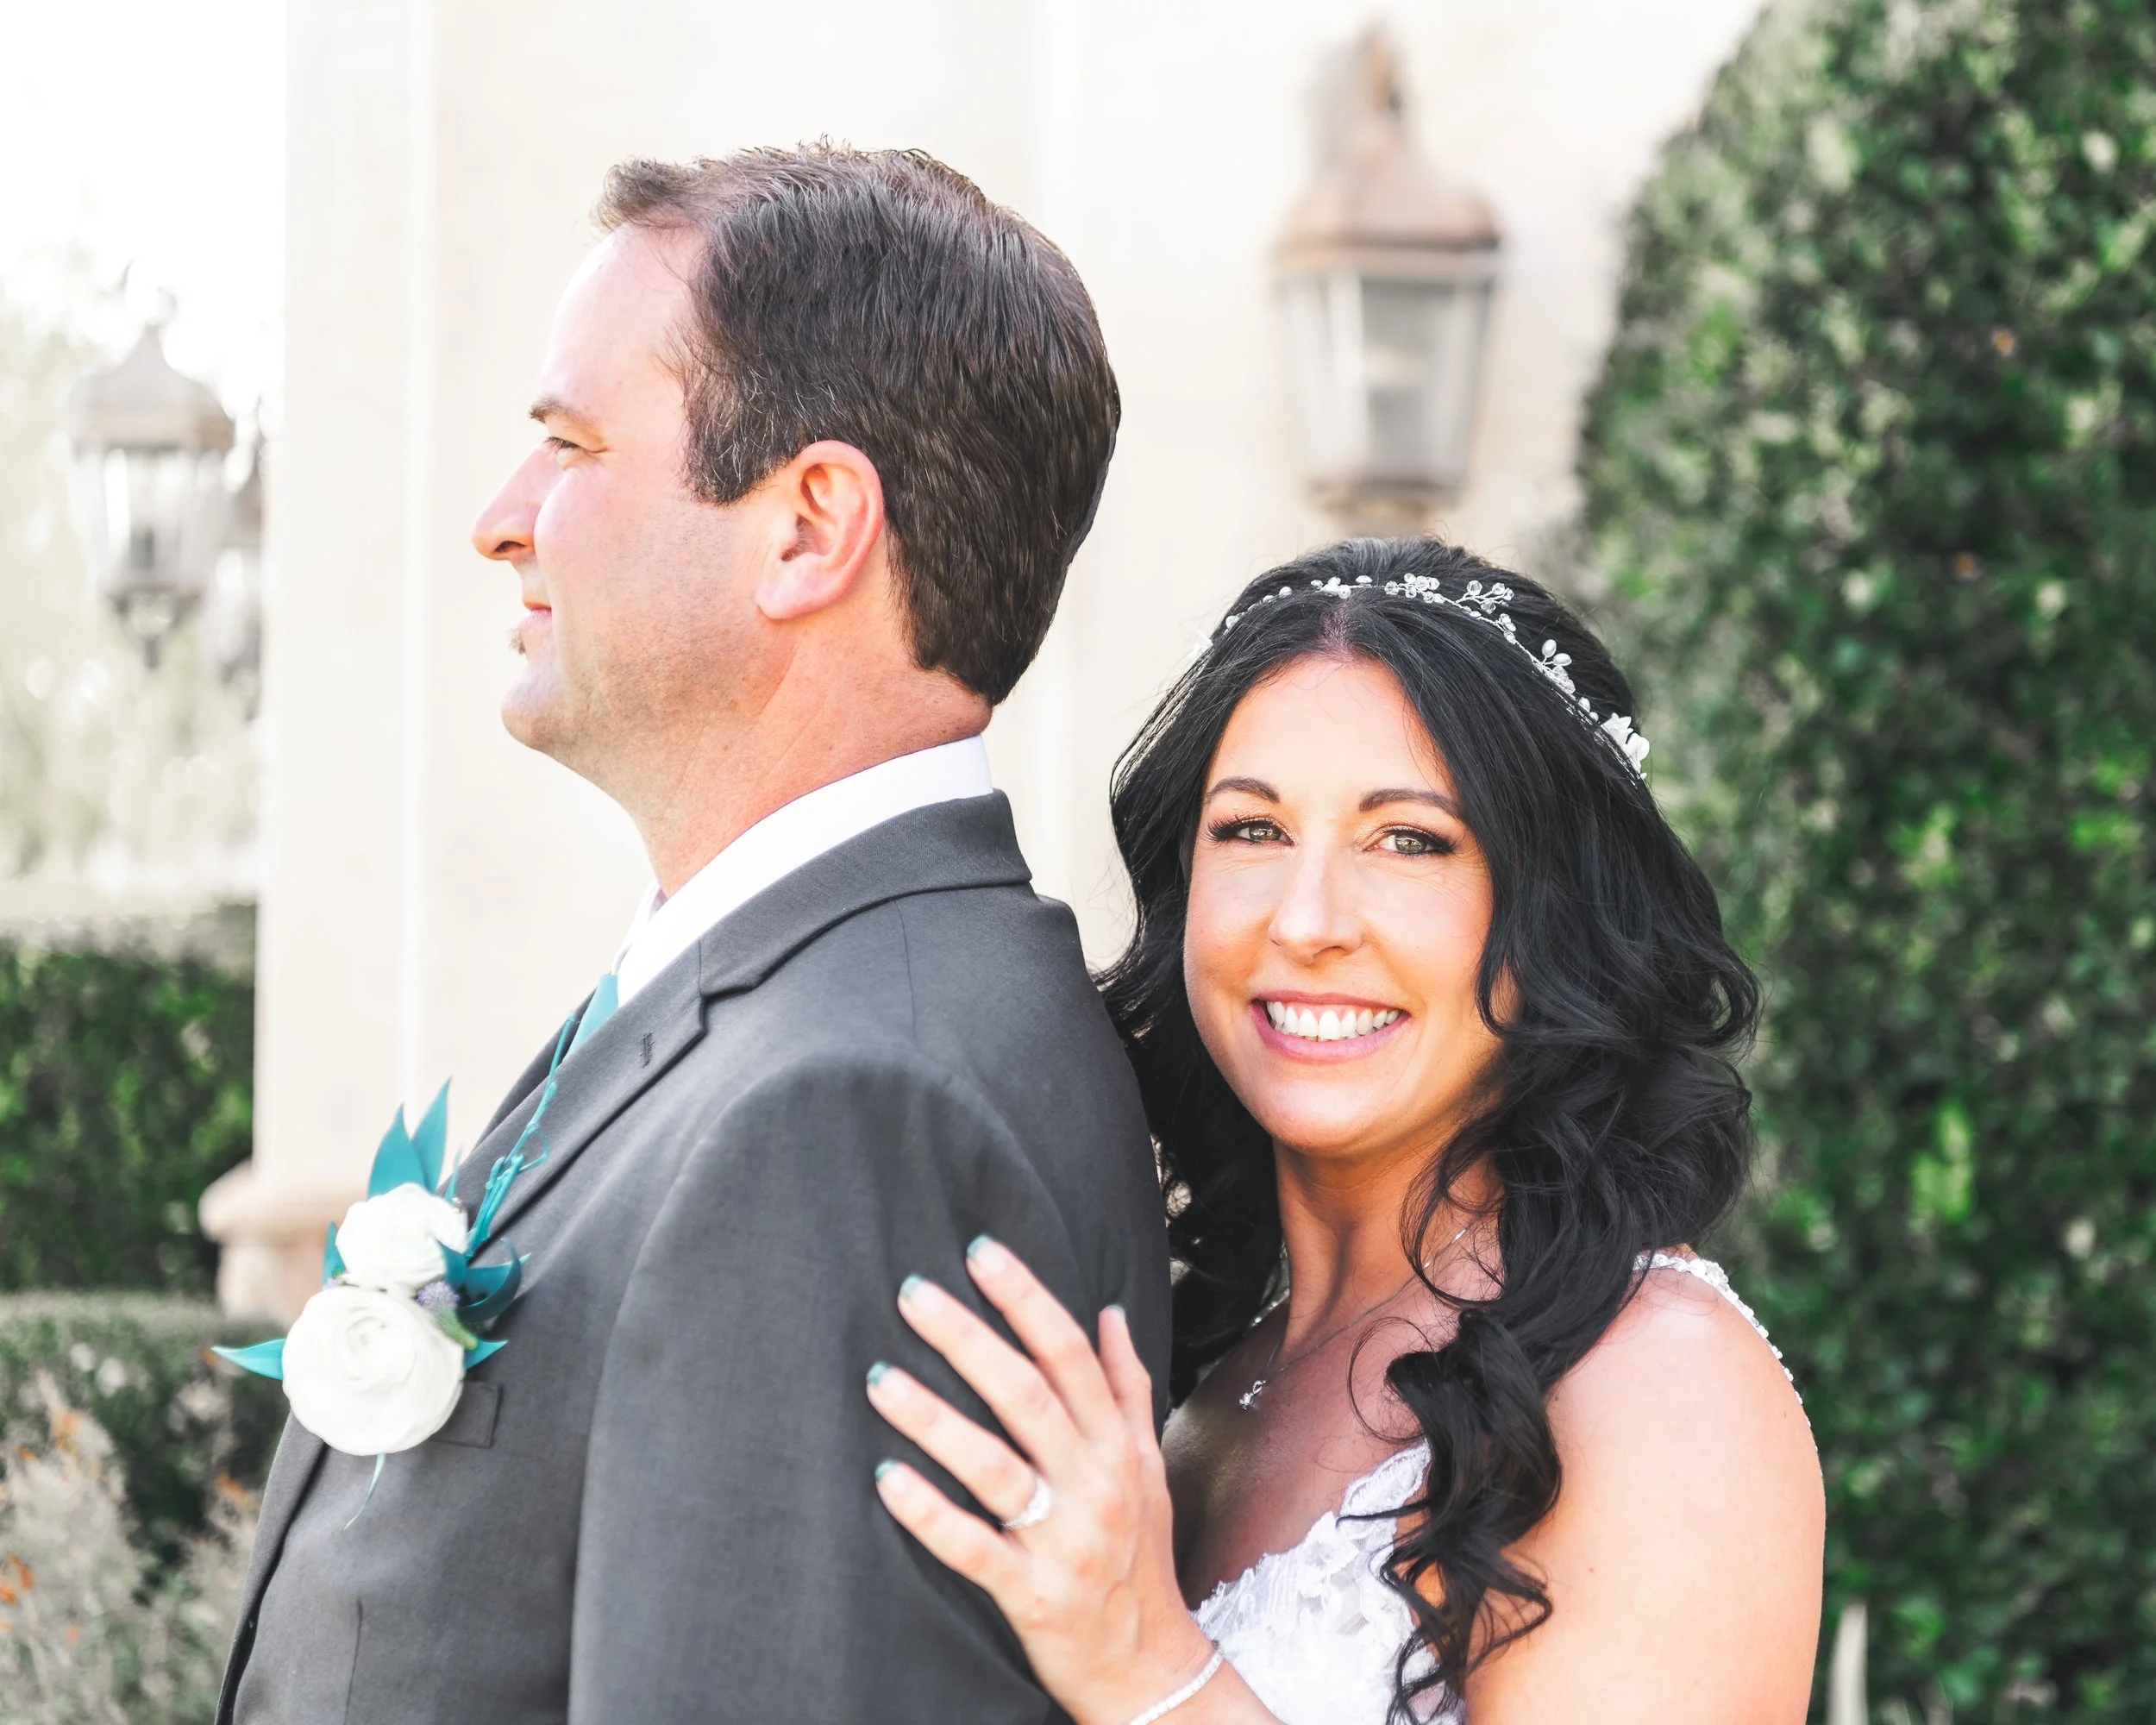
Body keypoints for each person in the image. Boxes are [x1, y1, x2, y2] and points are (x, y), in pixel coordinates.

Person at [219, 145, 1171, 1723]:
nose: (500, 521)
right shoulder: (786, 997)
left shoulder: (858, 1110)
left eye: (569, 444)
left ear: (809, 529)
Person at [867, 539, 1826, 1724]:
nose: (1307, 920)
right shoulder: (1197, 1380)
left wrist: (1143, 1669)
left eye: (1410, 840)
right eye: (1251, 831)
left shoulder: (1654, 1386)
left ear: (1554, 917)